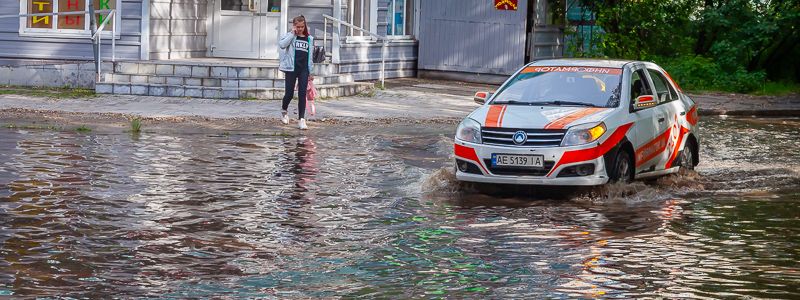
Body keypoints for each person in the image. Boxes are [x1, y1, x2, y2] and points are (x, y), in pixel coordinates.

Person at [278, 15, 315, 130]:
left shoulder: (309, 39)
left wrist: (311, 71)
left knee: (302, 94)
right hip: (291, 69)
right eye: (297, 27)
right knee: (289, 94)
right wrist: (292, 34)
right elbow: (282, 45)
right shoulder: (291, 36)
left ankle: (301, 119)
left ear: (305, 26)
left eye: (302, 26)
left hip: (303, 70)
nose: (300, 29)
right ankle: (284, 111)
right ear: (294, 26)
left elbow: (310, 57)